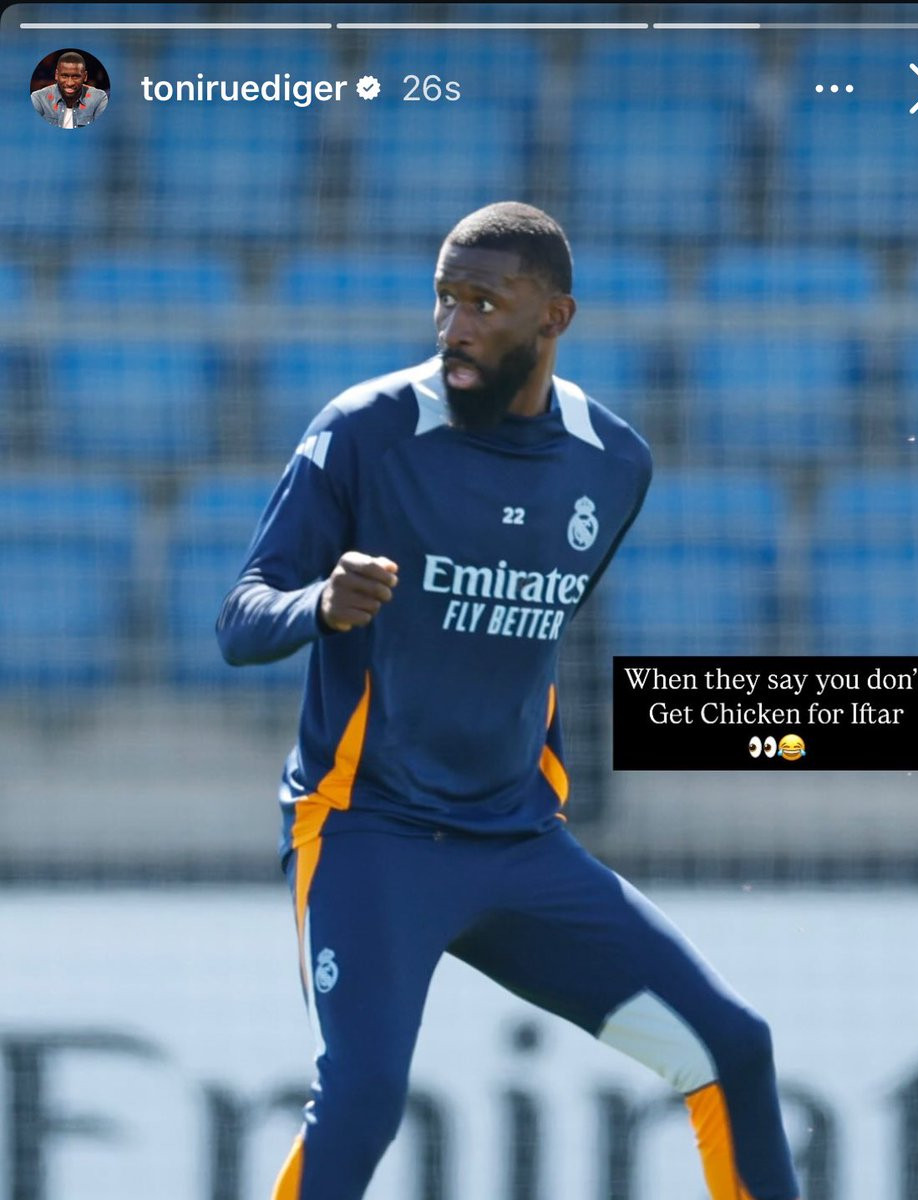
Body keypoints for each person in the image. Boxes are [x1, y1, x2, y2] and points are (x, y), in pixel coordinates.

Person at [217, 201, 801, 1200]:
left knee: (731, 1048)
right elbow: (240, 618)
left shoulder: (614, 462)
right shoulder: (364, 430)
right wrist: (319, 604)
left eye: (484, 303)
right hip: (369, 833)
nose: (454, 326)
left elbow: (538, 634)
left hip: (519, 844)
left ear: (555, 317)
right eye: (444, 299)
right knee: (362, 1100)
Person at [31, 51, 108, 128]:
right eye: (64, 76)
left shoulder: (99, 98)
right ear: (56, 75)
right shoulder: (39, 98)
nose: (69, 83)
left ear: (85, 76)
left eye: (76, 76)